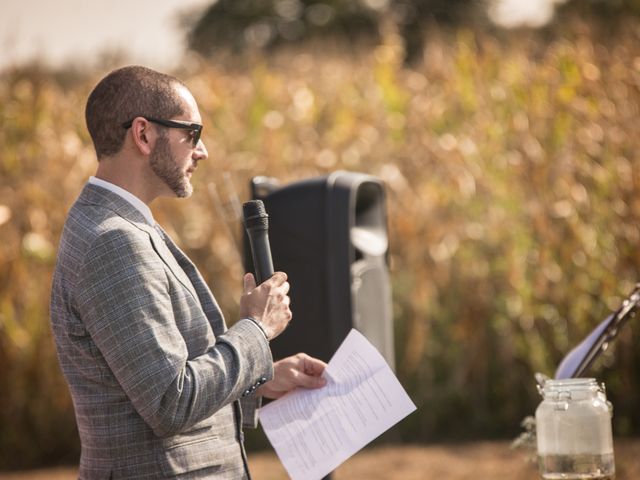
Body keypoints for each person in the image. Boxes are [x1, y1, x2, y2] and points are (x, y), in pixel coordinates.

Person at [50, 65, 327, 479]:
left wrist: (261, 379)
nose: (203, 150)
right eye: (191, 133)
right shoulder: (113, 240)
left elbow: (155, 384)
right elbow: (169, 401)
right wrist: (255, 330)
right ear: (143, 134)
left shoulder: (119, 224)